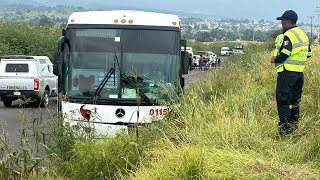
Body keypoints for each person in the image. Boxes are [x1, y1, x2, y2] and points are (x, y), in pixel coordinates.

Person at [271, 10, 312, 135]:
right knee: (295, 102)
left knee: (283, 101)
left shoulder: (289, 34)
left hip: (287, 73)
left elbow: (285, 53)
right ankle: (294, 127)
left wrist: (275, 59)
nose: (281, 24)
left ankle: (285, 130)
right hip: (299, 74)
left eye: (282, 21)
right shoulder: (303, 34)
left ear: (288, 21)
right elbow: (309, 54)